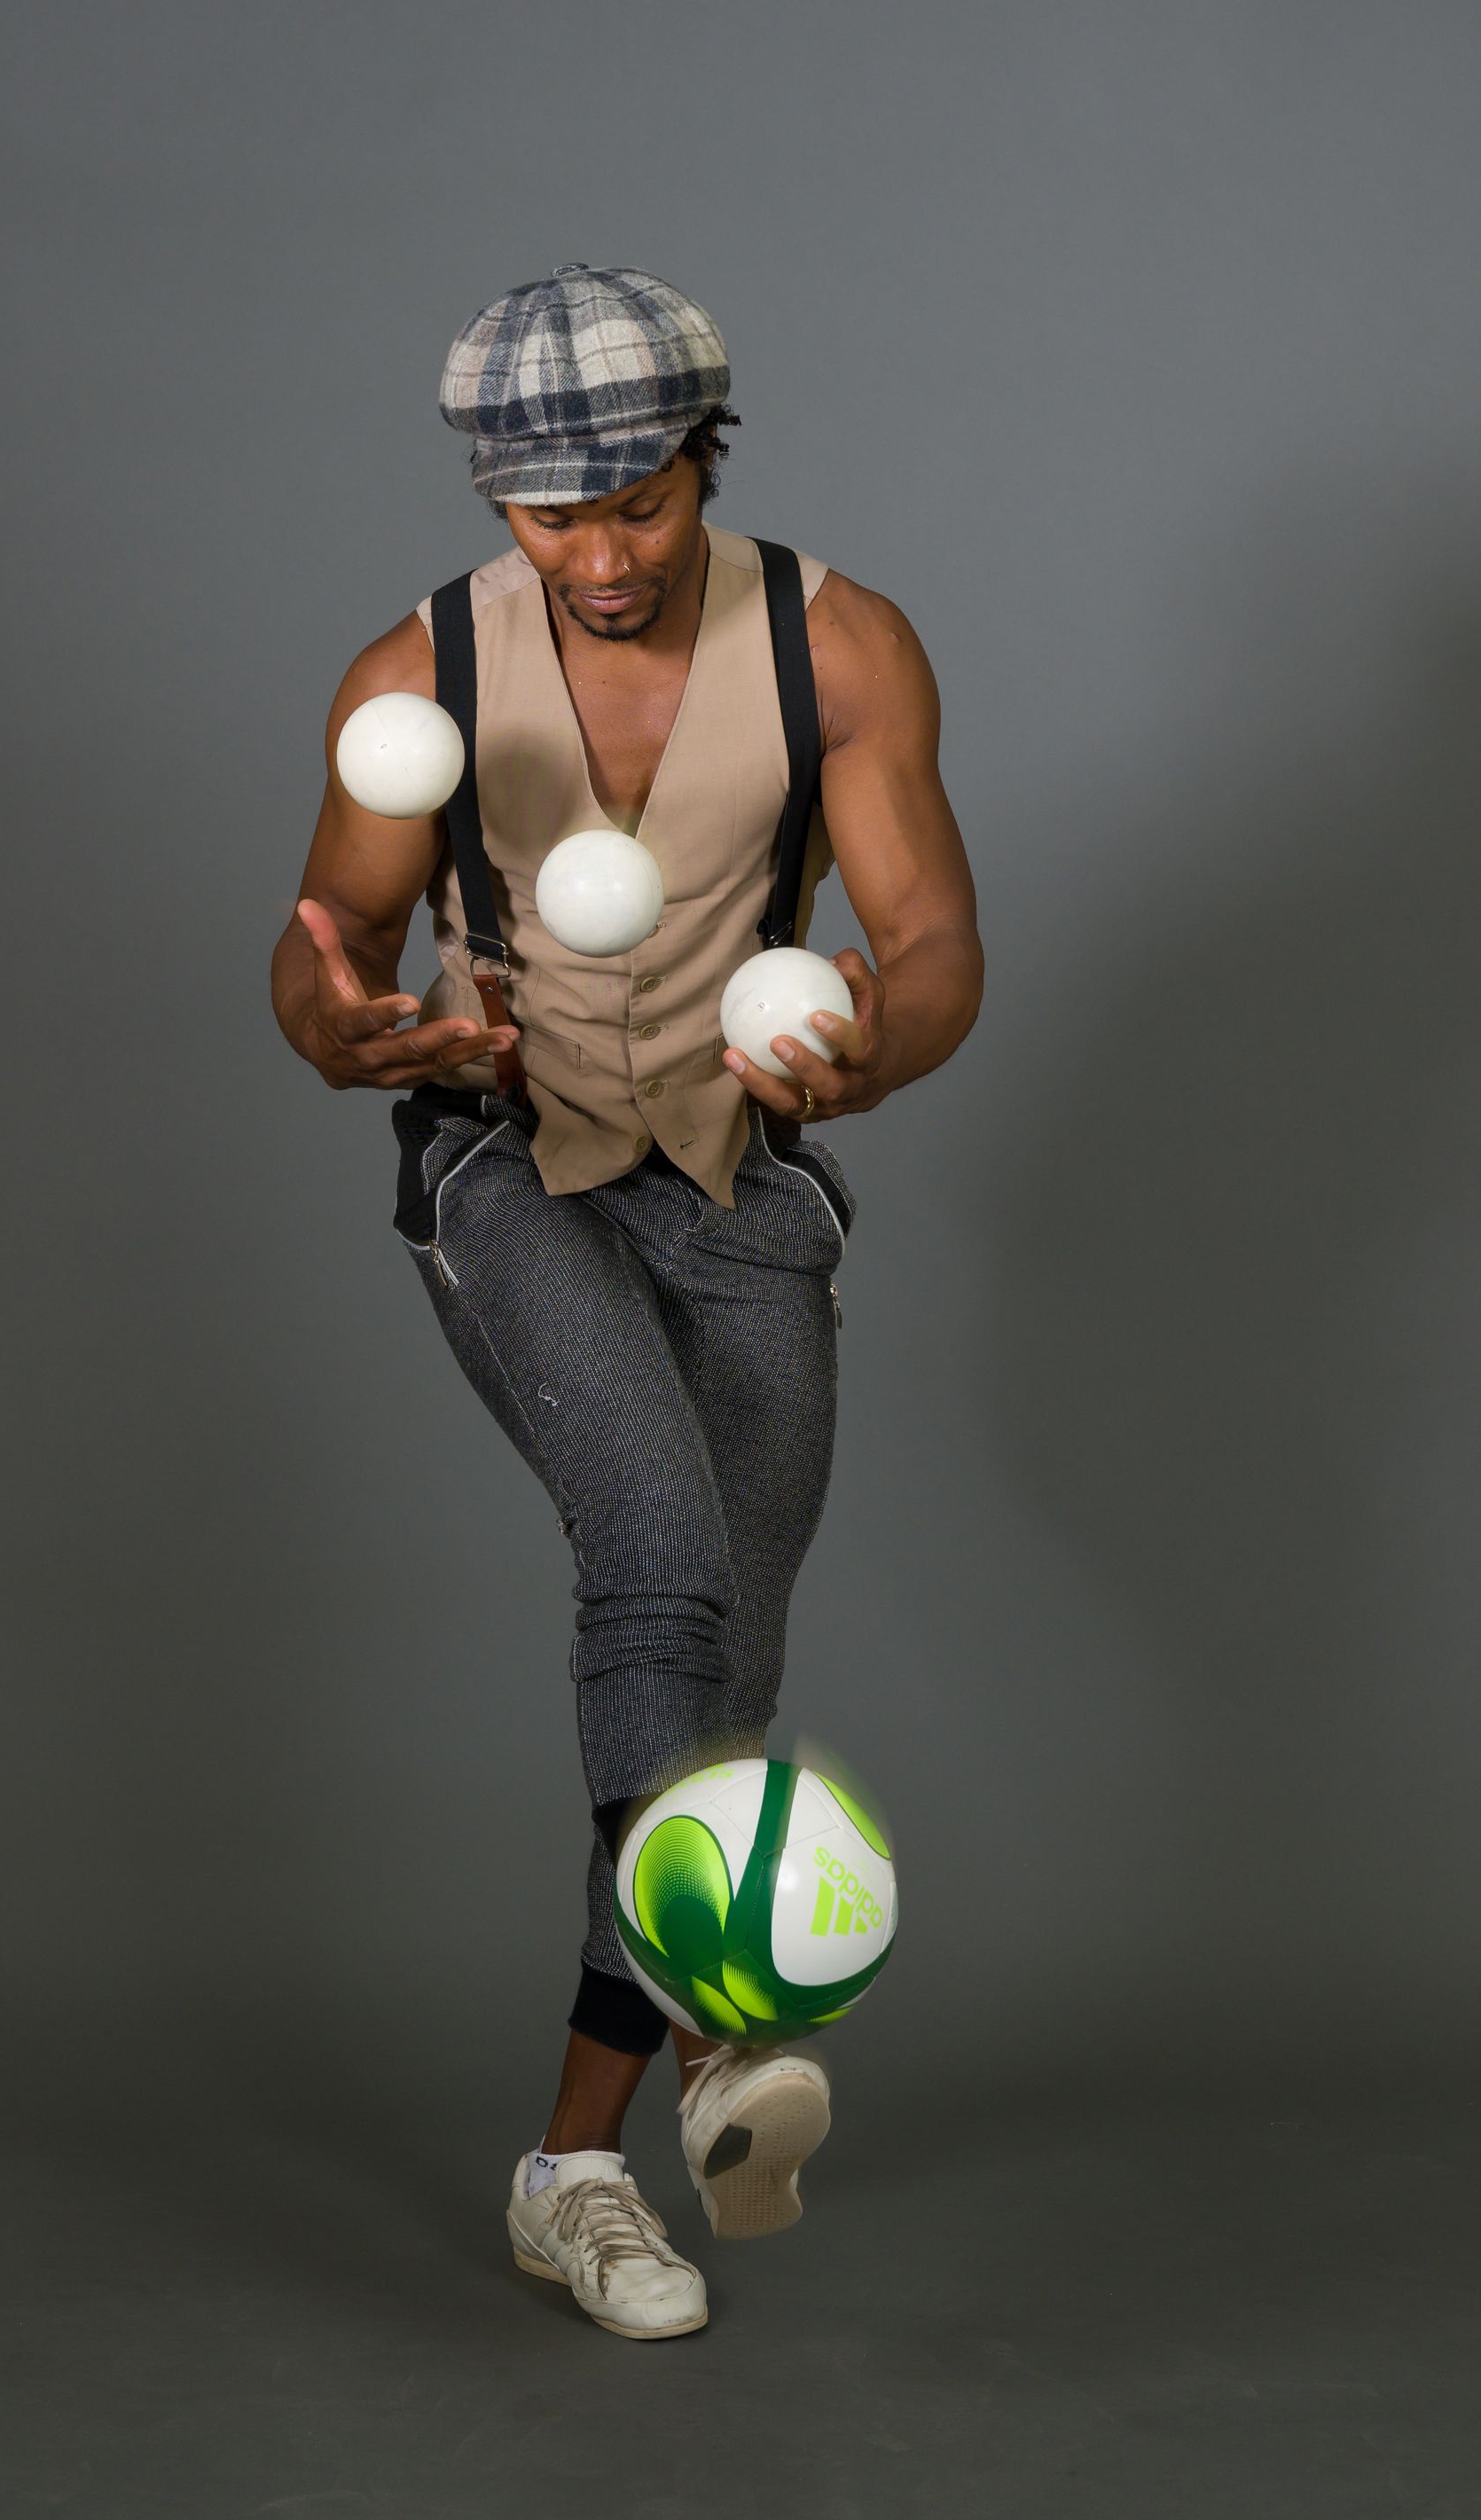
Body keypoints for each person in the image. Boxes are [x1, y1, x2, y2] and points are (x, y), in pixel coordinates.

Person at [270, 264, 982, 2342]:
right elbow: (321, 955)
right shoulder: (413, 672)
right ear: (498, 504)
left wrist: (874, 1037)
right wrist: (347, 1030)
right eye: (548, 517)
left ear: (706, 462)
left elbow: (931, 938)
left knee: (718, 1707)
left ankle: (571, 2165)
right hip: (512, 1169)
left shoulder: (837, 641)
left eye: (638, 505)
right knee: (656, 1567)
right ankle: (717, 2052)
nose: (595, 557)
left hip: (747, 1177)